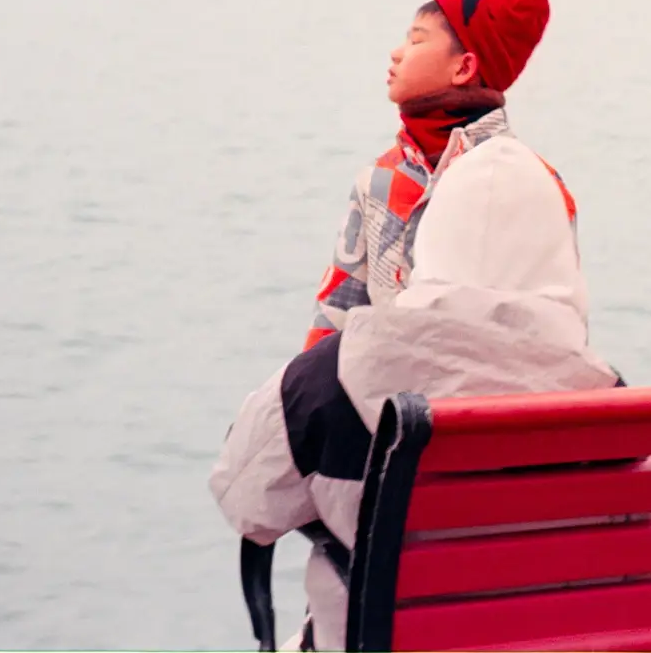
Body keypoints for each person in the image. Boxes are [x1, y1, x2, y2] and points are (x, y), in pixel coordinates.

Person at [212, 196, 616, 650]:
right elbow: (638, 551)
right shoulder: (604, 400)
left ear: (429, 246)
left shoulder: (329, 376)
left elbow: (246, 504)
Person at [304, 0, 581, 350]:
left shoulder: (530, 182)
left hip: (489, 396)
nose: (396, 53)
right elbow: (337, 312)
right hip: (384, 398)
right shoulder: (380, 180)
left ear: (464, 68)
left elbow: (555, 321)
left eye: (416, 41)